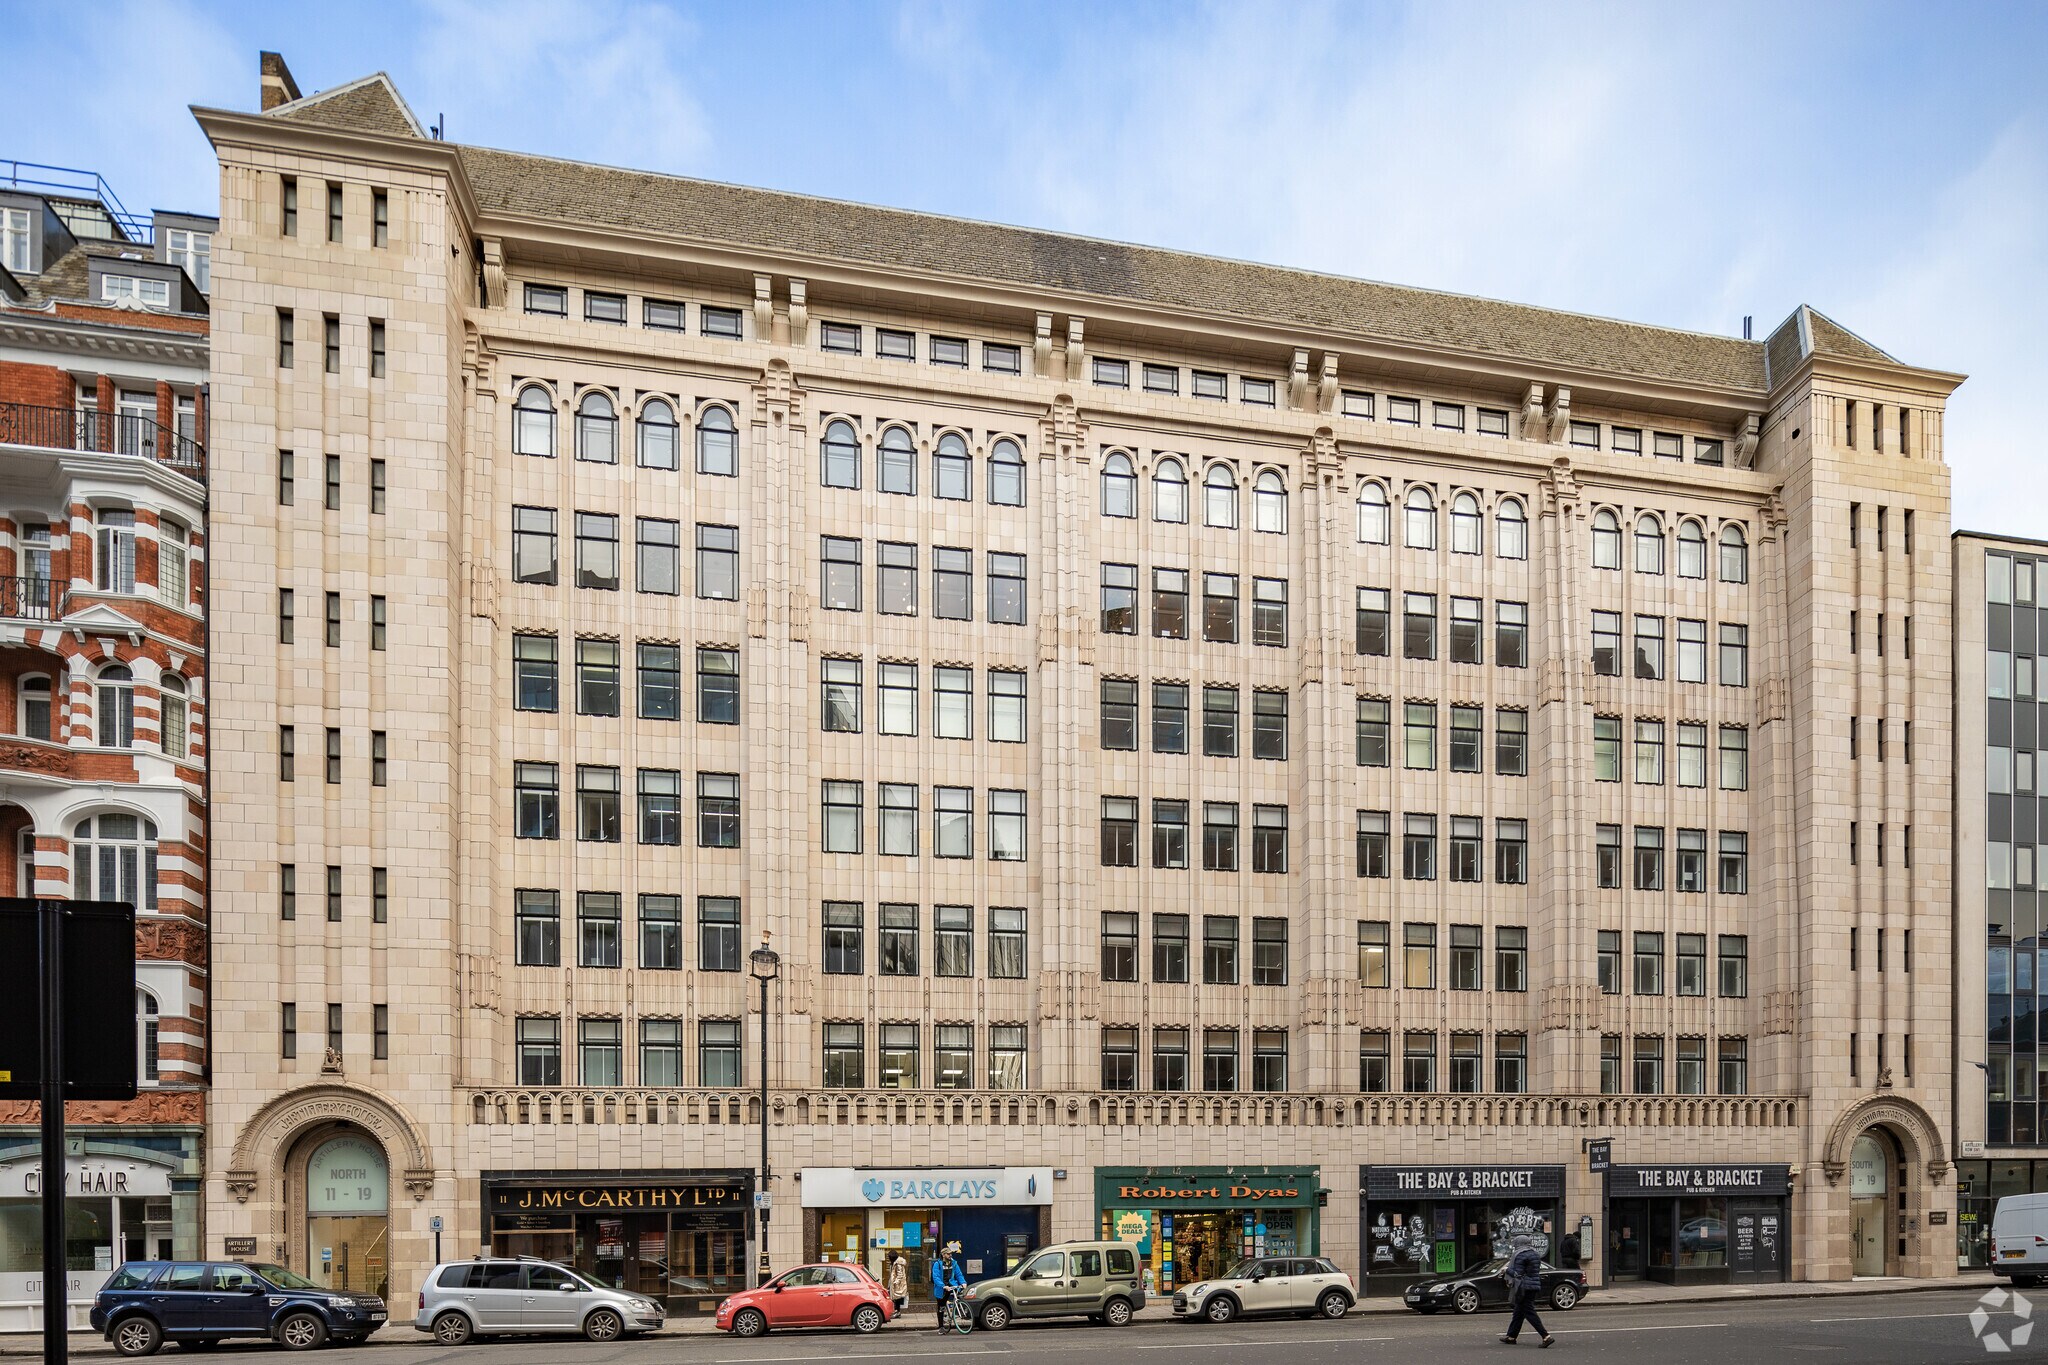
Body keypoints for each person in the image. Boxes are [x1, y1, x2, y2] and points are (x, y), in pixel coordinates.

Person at [1499, 1236, 1554, 1347]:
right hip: (1533, 1285)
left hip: (1523, 1286)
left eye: (1516, 1244)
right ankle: (1511, 1336)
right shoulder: (1535, 1254)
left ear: (1519, 1243)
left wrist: (1506, 1270)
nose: (1514, 1246)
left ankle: (1546, 1336)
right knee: (1518, 1312)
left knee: (1529, 1312)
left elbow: (1517, 1274)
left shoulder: (1520, 1255)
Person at [930, 1241, 967, 1330]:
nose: (950, 1255)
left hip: (952, 1284)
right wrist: (943, 1286)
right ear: (943, 1255)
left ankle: (958, 1309)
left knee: (959, 1296)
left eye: (951, 1254)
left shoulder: (954, 1263)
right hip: (942, 1287)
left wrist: (963, 1282)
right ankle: (941, 1326)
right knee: (941, 1307)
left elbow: (958, 1274)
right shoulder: (937, 1264)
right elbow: (936, 1277)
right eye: (948, 1254)